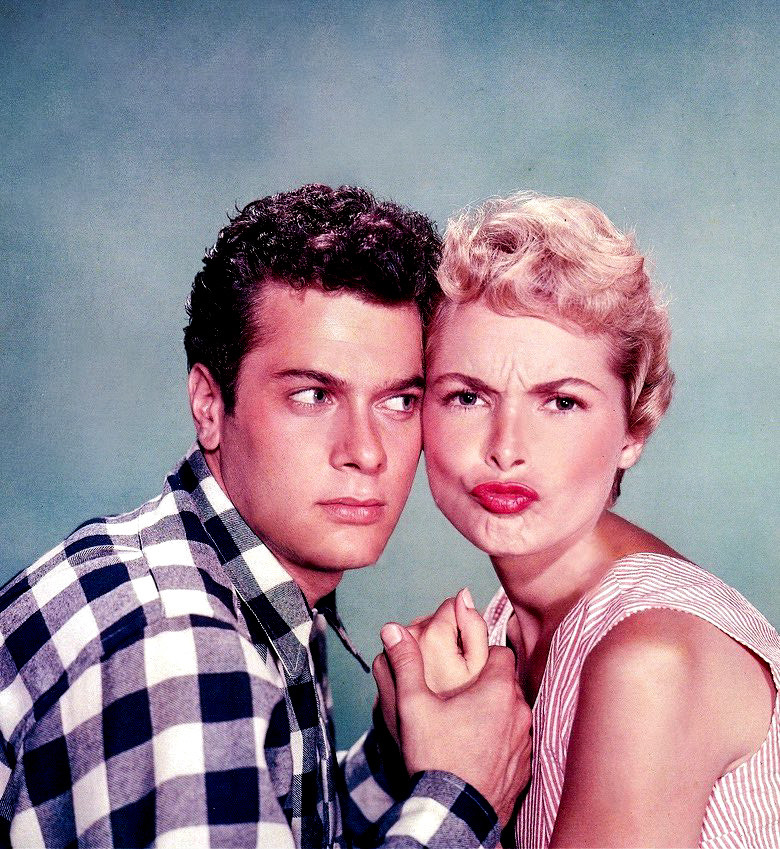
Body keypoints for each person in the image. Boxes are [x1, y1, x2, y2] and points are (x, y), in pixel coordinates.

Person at [0, 184, 531, 849]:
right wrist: (463, 791)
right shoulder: (179, 645)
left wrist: (402, 760)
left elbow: (274, 819)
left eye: (398, 401)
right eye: (313, 394)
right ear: (208, 404)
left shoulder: (231, 578)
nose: (365, 452)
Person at [377, 193, 780, 848]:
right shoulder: (507, 628)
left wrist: (448, 778)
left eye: (560, 401)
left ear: (634, 428)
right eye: (467, 395)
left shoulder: (648, 660)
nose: (506, 446)